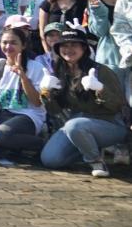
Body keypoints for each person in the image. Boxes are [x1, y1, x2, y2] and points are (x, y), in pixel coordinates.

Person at [39, 28, 128, 177]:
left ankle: (96, 161)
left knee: (75, 125)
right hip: (75, 127)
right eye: (64, 46)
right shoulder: (59, 72)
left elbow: (118, 105)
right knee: (50, 160)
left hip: (110, 124)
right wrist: (45, 93)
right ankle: (86, 147)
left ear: (84, 48)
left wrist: (100, 89)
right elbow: (54, 111)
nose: (69, 49)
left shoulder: (100, 71)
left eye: (74, 45)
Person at [0, 27, 47, 161]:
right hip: (4, 116)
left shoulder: (36, 67)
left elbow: (37, 102)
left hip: (28, 116)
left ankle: (42, 144)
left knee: (1, 135)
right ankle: (14, 149)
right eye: (4, 42)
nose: (8, 46)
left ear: (23, 45)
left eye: (13, 43)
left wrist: (23, 76)